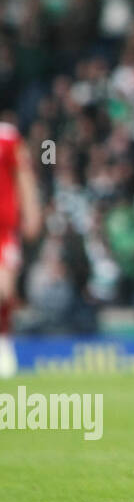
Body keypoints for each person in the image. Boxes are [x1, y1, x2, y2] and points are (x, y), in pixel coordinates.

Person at [0, 119, 42, 345]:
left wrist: (32, 211)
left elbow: (24, 174)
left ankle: (4, 341)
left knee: (4, 291)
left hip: (4, 228)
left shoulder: (7, 136)